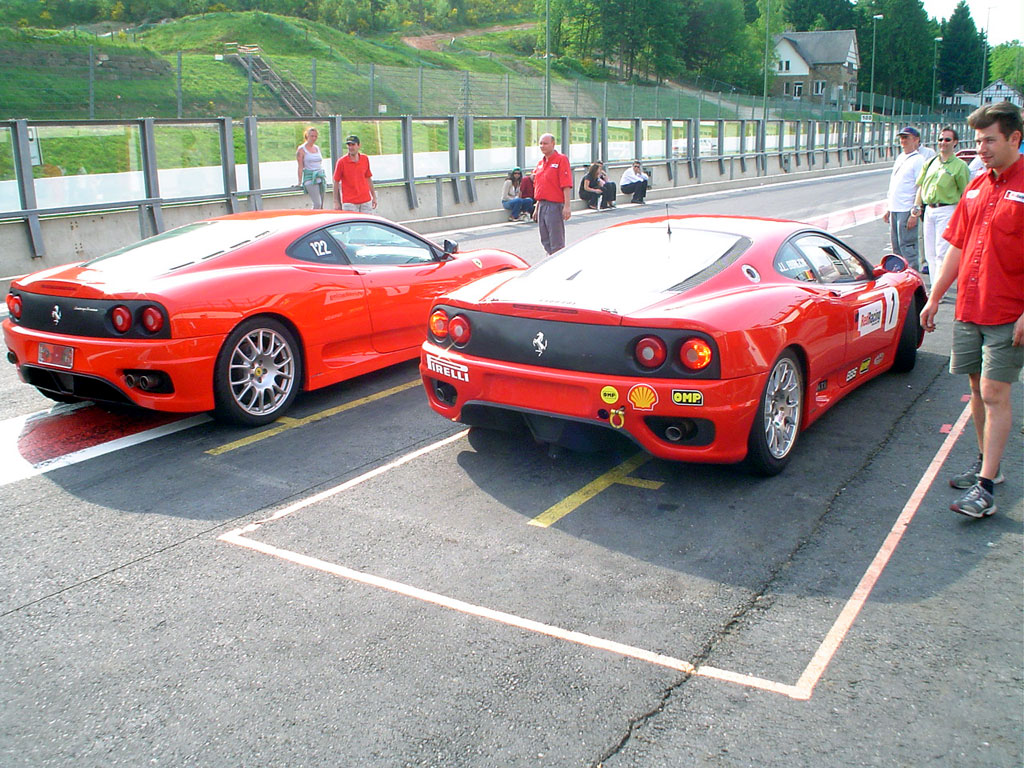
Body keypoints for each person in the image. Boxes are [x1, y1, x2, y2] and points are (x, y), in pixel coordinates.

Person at [919, 101, 1024, 519]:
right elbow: (957, 249)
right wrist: (932, 297)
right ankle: (988, 467)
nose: (981, 148)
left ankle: (985, 488)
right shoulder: (978, 186)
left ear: (1015, 138)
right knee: (977, 390)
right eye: (978, 140)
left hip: (1007, 312)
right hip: (970, 307)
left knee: (995, 393)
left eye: (990, 140)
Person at [908, 126, 969, 281]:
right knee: (930, 253)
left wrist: (962, 217)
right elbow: (921, 186)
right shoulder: (930, 163)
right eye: (941, 139)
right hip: (929, 210)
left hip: (948, 209)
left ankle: (938, 289)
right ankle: (936, 284)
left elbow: (965, 193)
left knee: (942, 252)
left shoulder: (960, 166)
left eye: (947, 140)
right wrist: (916, 206)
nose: (943, 143)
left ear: (955, 142)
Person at [883, 126, 931, 269]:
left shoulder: (918, 160)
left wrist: (914, 213)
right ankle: (899, 276)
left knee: (907, 247)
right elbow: (894, 185)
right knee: (896, 247)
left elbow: (920, 187)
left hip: (906, 208)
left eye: (906, 138)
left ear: (916, 140)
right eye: (902, 138)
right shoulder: (900, 157)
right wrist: (888, 208)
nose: (903, 141)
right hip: (895, 208)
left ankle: (912, 277)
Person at [532, 133, 572, 254]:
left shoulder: (561, 159)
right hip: (542, 205)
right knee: (545, 239)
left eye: (545, 143)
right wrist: (537, 208)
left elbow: (566, 184)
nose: (542, 146)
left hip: (554, 205)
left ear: (553, 144)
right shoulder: (540, 163)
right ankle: (549, 260)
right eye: (540, 143)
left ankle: (558, 264)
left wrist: (567, 206)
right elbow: (539, 186)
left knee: (556, 240)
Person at [332, 134, 377, 213]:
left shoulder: (365, 159)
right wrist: (336, 201)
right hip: (349, 201)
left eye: (353, 145)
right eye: (349, 145)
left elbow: (368, 178)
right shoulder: (341, 162)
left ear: (358, 146)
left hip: (365, 200)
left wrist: (374, 197)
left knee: (366, 224)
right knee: (352, 224)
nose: (351, 147)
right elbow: (336, 181)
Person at [296, 127, 326, 209]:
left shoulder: (316, 148)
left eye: (315, 136)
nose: (313, 138)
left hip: (319, 176)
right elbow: (300, 166)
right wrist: (299, 181)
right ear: (307, 136)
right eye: (312, 136)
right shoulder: (301, 149)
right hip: (310, 177)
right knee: (317, 203)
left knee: (321, 204)